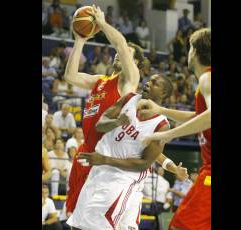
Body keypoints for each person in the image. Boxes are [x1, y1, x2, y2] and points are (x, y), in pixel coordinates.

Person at [63, 4, 185, 218]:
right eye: (121, 52)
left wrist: (101, 23)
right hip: (85, 153)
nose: (120, 54)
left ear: (135, 63)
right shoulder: (100, 81)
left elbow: (143, 141)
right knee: (74, 217)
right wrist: (80, 40)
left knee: (98, 221)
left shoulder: (128, 84)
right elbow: (70, 76)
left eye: (127, 53)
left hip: (104, 160)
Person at [67, 74, 176, 229]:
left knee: (97, 226)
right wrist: (117, 122)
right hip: (99, 168)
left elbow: (144, 164)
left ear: (163, 93)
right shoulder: (129, 99)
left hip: (122, 178)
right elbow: (100, 125)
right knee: (77, 224)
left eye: (154, 83)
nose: (148, 83)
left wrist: (105, 159)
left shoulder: (161, 125)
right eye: (149, 80)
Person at [138, 28, 211, 230]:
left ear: (194, 52)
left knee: (180, 226)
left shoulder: (207, 78)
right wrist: (161, 109)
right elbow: (200, 118)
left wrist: (167, 134)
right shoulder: (205, 82)